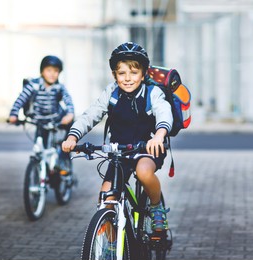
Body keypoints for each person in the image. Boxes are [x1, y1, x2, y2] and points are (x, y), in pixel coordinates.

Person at [62, 42, 173, 233]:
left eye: (134, 73)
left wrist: (159, 136)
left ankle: (156, 207)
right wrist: (73, 136)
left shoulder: (152, 93)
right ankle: (111, 249)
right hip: (119, 152)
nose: (128, 79)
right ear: (115, 75)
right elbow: (91, 115)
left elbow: (164, 113)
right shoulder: (111, 93)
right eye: (122, 73)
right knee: (106, 199)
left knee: (144, 173)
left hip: (147, 148)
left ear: (144, 73)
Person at [8, 55, 75, 147]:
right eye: (49, 70)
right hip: (39, 121)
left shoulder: (59, 87)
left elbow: (68, 100)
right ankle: (36, 160)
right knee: (39, 150)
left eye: (56, 71)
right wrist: (13, 114)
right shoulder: (33, 85)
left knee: (70, 130)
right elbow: (21, 99)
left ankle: (65, 153)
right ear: (42, 71)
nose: (52, 74)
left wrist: (70, 114)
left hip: (56, 119)